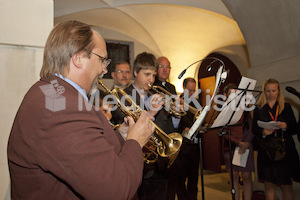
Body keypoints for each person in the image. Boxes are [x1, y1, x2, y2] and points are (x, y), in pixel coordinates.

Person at [7, 20, 155, 200]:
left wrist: (121, 136)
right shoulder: (63, 108)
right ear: (77, 58)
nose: (104, 69)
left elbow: (81, 149)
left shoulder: (52, 90)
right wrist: (135, 142)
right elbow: (115, 191)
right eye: (102, 60)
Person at [252, 78, 300, 200]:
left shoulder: (286, 107)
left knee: (286, 186)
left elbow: (294, 128)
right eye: (268, 91)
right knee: (269, 186)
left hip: (283, 151)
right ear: (264, 92)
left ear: (278, 91)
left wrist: (285, 126)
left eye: (273, 90)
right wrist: (263, 132)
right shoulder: (258, 108)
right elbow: (254, 129)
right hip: (267, 151)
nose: (271, 93)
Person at [221, 83, 254, 200]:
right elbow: (223, 131)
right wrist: (237, 143)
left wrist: (246, 143)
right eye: (230, 94)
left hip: (245, 145)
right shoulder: (224, 111)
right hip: (230, 146)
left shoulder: (245, 109)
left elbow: (251, 128)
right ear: (225, 96)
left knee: (246, 176)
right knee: (234, 177)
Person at [176, 77, 201, 200]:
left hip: (195, 146)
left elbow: (202, 119)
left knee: (193, 178)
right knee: (180, 179)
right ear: (183, 88)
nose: (191, 93)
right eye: (189, 90)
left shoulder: (197, 103)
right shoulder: (177, 101)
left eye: (193, 90)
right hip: (182, 147)